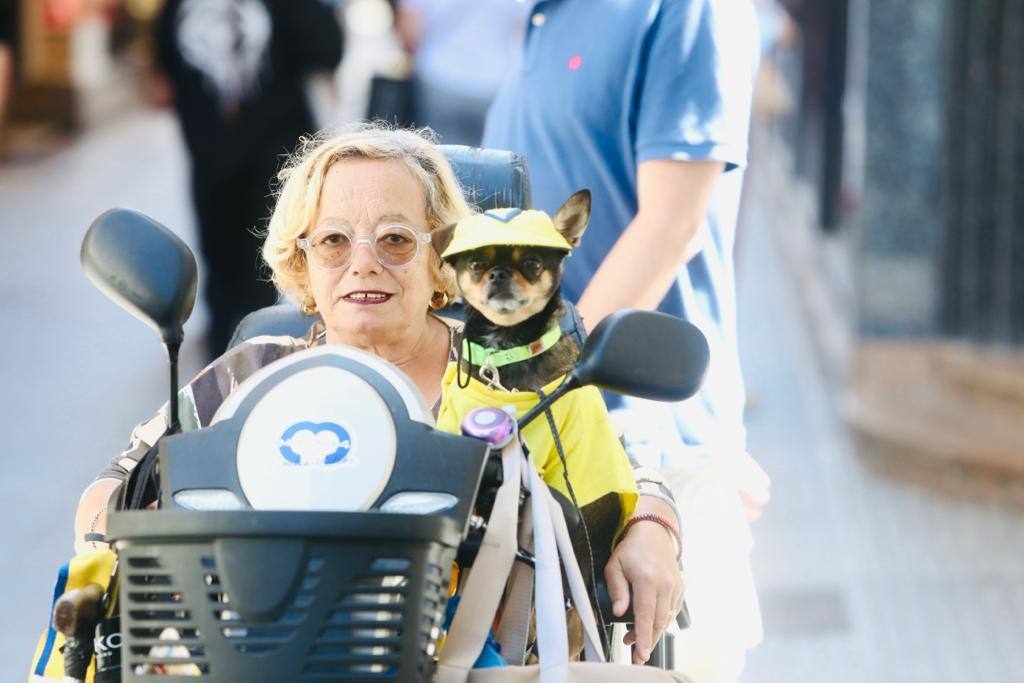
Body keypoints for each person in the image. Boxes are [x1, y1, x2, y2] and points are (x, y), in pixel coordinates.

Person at [73, 124, 682, 659]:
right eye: (334, 241)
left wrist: (653, 528)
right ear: (303, 262)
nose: (363, 262)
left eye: (395, 239)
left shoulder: (511, 373)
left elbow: (629, 475)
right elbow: (113, 486)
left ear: (442, 259)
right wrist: (135, 543)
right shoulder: (252, 374)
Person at [482, 0, 766, 678]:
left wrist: (535, 375)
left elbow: (671, 225)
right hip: (545, 445)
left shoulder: (687, 10)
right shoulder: (546, 16)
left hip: (652, 450)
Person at [152, 0, 343, 356]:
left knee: (264, 253)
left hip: (273, 149)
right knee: (216, 247)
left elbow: (326, 50)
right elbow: (166, 56)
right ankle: (224, 345)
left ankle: (255, 341)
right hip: (209, 149)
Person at [394, 0, 529, 145]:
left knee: (438, 154)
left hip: (440, 78)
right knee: (490, 154)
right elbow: (525, 30)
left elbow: (410, 35)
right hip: (494, 83)